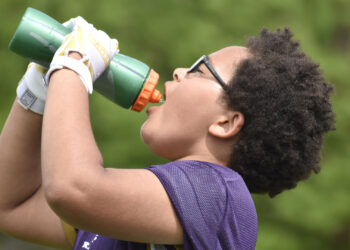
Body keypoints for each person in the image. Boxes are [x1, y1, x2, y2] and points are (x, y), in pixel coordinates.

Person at [0, 16, 335, 250]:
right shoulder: (139, 209)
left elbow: (72, 188)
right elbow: (10, 207)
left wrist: (73, 64)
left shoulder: (220, 194)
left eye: (198, 71)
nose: (178, 71)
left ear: (226, 123)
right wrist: (40, 87)